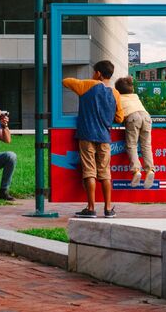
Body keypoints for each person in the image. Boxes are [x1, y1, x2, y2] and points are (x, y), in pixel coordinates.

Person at [63, 60, 123, 219]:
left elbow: (66, 81)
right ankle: (108, 208)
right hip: (104, 137)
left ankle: (91, 208)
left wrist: (86, 82)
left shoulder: (87, 85)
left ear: (98, 73)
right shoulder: (115, 93)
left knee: (89, 171)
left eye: (93, 72)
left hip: (86, 135)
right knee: (105, 173)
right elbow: (120, 117)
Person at [114, 77, 155, 189]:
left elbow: (118, 115)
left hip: (132, 117)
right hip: (146, 116)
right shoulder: (135, 96)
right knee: (146, 145)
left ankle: (136, 171)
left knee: (132, 145)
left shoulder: (118, 98)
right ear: (131, 89)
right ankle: (150, 169)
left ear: (118, 90)